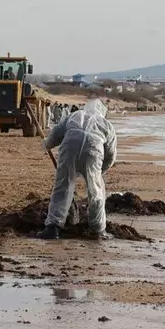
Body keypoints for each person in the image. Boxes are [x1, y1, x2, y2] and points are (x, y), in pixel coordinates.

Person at [38, 100, 118, 240]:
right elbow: (111, 156)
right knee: (96, 190)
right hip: (93, 151)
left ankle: (53, 227)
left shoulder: (75, 115)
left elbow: (57, 133)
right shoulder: (107, 125)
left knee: (63, 186)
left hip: (69, 147)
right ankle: (97, 230)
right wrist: (98, 173)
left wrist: (47, 144)